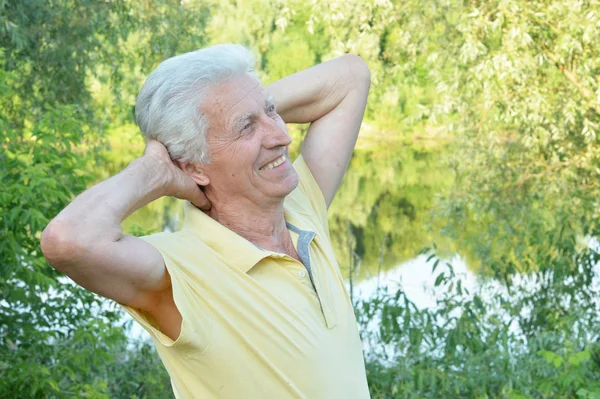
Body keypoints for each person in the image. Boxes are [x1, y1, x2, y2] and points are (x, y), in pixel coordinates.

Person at [41, 44, 371, 398]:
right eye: (246, 128)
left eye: (272, 112)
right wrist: (155, 168)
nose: (283, 136)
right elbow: (68, 240)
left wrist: (247, 104)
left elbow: (350, 76)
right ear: (192, 166)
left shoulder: (301, 207)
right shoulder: (181, 273)